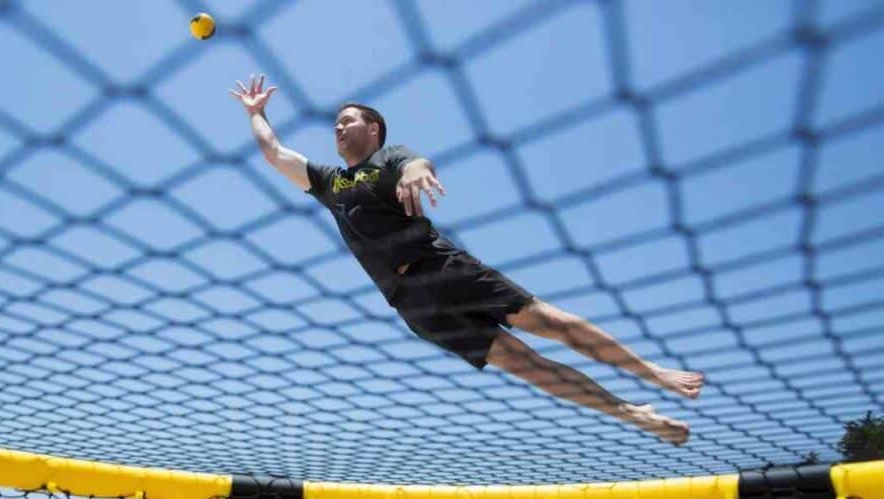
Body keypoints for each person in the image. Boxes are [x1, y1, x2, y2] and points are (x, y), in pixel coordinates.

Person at [232, 75, 704, 444]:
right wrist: (257, 113)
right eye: (336, 123)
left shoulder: (389, 157)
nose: (338, 127)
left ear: (372, 129)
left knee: (552, 322)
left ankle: (652, 373)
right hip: (412, 305)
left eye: (349, 120)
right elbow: (274, 153)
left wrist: (418, 172)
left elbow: (416, 163)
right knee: (529, 366)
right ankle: (634, 414)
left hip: (444, 269)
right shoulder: (330, 183)